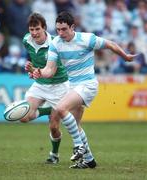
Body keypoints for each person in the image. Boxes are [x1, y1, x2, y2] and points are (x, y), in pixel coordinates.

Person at [33, 11, 137, 169]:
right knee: (75, 124)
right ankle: (89, 160)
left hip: (88, 84)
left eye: (64, 29)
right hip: (73, 86)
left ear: (72, 27)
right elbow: (50, 70)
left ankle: (78, 146)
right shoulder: (55, 44)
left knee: (61, 108)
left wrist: (125, 57)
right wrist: (40, 72)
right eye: (58, 30)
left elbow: (110, 44)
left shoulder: (87, 39)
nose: (60, 33)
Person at [21, 12, 85, 165]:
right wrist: (30, 68)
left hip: (59, 86)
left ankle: (54, 155)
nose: (34, 33)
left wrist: (36, 71)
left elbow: (51, 71)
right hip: (40, 85)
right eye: (32, 29)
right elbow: (34, 61)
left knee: (54, 127)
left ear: (44, 28)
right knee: (23, 117)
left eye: (37, 29)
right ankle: (47, 110)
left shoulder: (54, 44)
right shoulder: (26, 40)